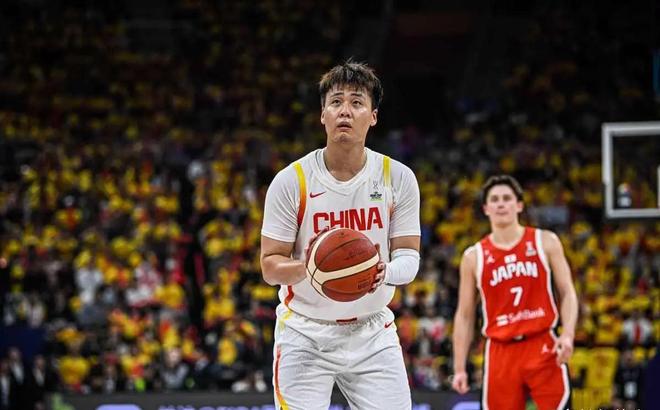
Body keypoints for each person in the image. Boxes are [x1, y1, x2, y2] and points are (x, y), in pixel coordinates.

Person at [260, 61, 421, 410]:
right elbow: (270, 267)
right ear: (323, 115)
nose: (345, 110)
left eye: (356, 102)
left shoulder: (398, 177)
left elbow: (409, 256)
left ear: (373, 117)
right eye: (336, 102)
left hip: (372, 331)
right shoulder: (291, 181)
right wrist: (309, 267)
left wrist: (384, 271)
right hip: (305, 332)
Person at [451, 175, 578, 410]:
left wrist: (568, 334)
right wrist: (459, 367)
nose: (501, 204)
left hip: (542, 343)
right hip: (500, 350)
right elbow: (465, 315)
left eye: (507, 198)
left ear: (519, 205)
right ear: (486, 209)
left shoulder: (545, 241)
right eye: (495, 199)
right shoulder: (473, 257)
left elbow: (567, 292)